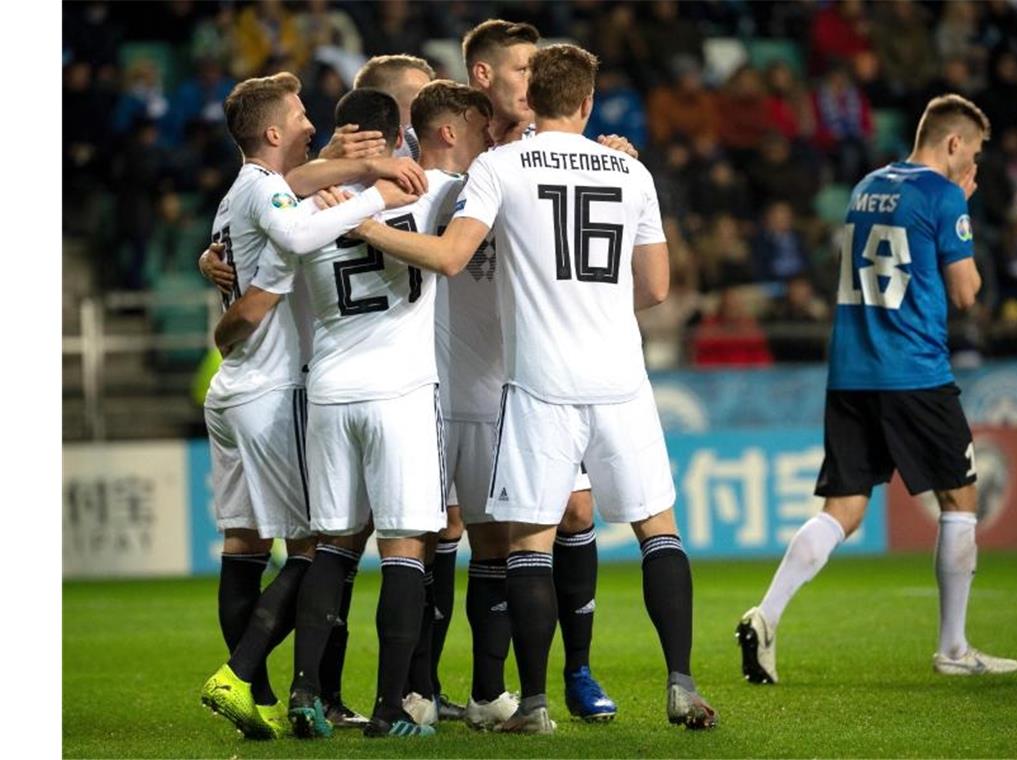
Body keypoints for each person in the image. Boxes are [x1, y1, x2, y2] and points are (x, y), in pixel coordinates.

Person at [343, 42, 718, 735]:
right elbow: (659, 287)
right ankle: (681, 686)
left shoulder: (499, 165)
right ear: (585, 103)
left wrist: (364, 228)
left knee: (528, 543)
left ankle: (534, 705)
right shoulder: (630, 170)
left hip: (540, 381)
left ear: (530, 97)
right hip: (620, 377)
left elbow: (453, 257)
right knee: (657, 531)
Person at [213, 83, 492, 740]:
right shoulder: (429, 189)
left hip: (329, 391)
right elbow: (481, 189)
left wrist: (351, 179)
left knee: (331, 547)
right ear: (400, 137)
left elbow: (276, 218)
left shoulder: (309, 200)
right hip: (400, 388)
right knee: (404, 548)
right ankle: (393, 706)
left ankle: (308, 692)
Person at [735, 93, 1017, 683]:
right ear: (950, 143)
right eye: (972, 153)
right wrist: (960, 209)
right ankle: (953, 648)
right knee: (960, 499)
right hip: (914, 370)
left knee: (842, 509)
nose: (973, 166)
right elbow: (967, 293)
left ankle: (766, 615)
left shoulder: (865, 186)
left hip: (851, 372)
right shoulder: (944, 195)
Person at [198, 72, 417, 740]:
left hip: (231, 388)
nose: (308, 123)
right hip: (269, 391)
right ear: (272, 132)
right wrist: (377, 191)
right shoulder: (267, 190)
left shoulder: (241, 196)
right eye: (297, 115)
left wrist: (364, 165)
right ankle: (243, 675)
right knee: (316, 549)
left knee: (243, 544)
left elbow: (273, 221)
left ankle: (259, 696)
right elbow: (294, 239)